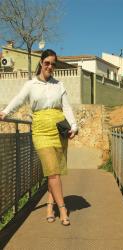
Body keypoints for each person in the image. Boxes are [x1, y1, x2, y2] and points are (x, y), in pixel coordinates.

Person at [0, 49, 78, 226]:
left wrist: (74, 125)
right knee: (52, 170)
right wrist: (5, 111)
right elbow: (19, 99)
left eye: (53, 64)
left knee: (54, 172)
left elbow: (66, 107)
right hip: (41, 130)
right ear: (41, 63)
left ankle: (50, 206)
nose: (50, 66)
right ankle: (63, 209)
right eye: (47, 63)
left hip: (59, 130)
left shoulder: (59, 85)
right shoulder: (31, 84)